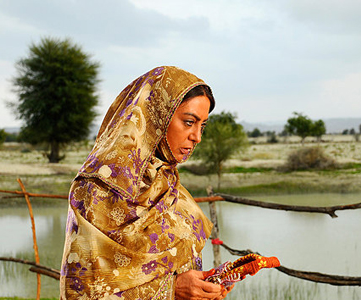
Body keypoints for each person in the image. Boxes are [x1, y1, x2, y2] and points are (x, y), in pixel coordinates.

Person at [60, 66, 233, 300]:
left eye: (202, 126)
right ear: (156, 117)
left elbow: (179, 269)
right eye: (189, 122)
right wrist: (171, 290)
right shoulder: (95, 191)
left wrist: (206, 285)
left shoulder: (168, 185)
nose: (197, 137)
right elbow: (82, 289)